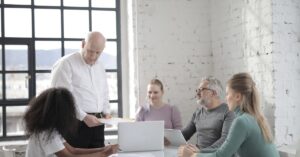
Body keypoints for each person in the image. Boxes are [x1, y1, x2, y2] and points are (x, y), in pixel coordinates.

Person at [178, 73, 280, 157]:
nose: (226, 98)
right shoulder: (252, 117)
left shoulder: (241, 121)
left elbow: (222, 155)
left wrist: (193, 156)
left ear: (237, 96)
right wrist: (198, 152)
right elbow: (226, 147)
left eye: (227, 94)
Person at [51, 31, 110, 148]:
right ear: (83, 44)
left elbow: (104, 91)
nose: (93, 56)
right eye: (90, 51)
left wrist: (106, 111)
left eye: (98, 53)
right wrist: (83, 116)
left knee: (99, 155)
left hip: (98, 122)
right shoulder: (65, 64)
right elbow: (61, 98)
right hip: (75, 123)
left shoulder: (100, 66)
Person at [24, 87, 118, 157]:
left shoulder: (50, 129)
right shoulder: (47, 133)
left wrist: (105, 149)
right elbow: (69, 156)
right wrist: (104, 153)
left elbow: (73, 150)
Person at [180, 76, 235, 150]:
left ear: (213, 93)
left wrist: (201, 152)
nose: (197, 93)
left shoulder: (228, 112)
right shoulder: (197, 113)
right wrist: (169, 139)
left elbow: (225, 141)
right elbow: (185, 134)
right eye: (197, 90)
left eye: (201, 89)